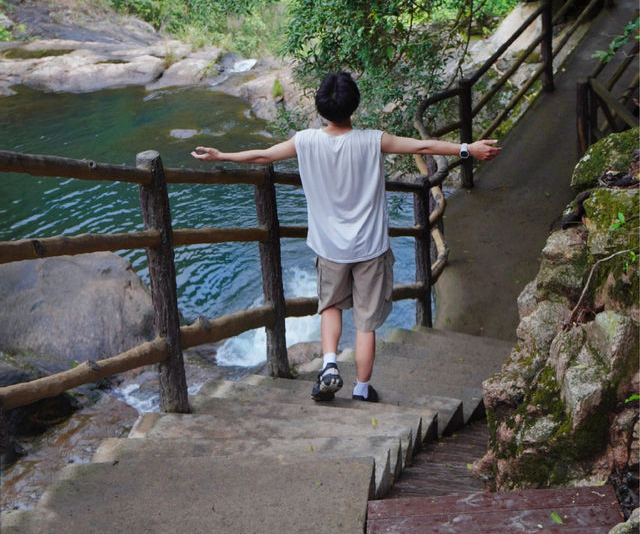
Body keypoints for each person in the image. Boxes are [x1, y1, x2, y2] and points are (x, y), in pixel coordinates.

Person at [191, 71, 501, 403]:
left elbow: (263, 156)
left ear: (320, 107)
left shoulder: (305, 141)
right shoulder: (373, 140)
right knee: (366, 323)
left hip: (329, 247)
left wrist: (221, 155)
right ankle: (362, 389)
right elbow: (423, 146)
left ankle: (329, 365)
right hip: (370, 247)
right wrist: (468, 148)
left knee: (331, 307)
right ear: (354, 105)